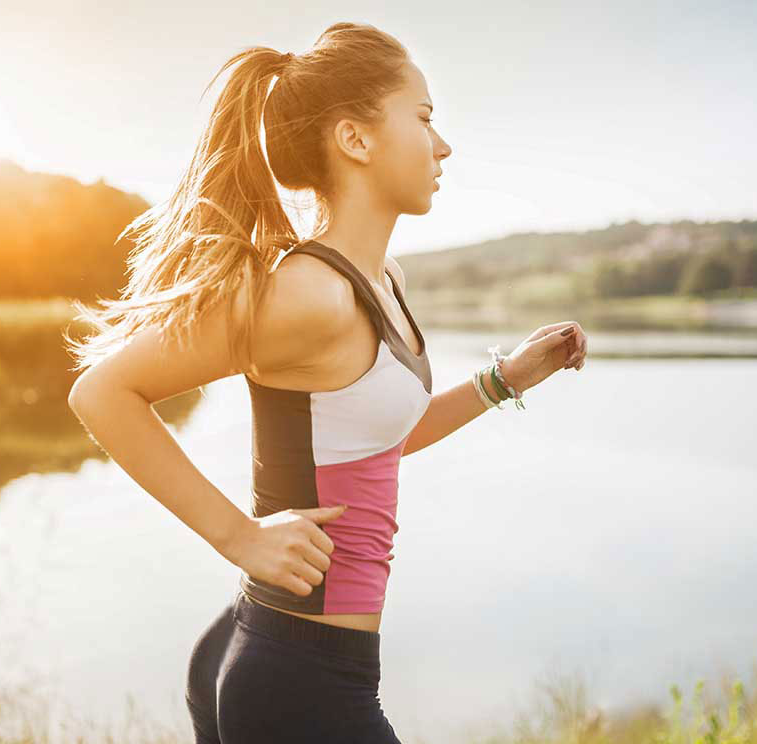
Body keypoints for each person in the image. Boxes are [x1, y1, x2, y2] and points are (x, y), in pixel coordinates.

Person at [65, 21, 588, 744]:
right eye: (426, 118)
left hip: (301, 663)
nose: (443, 145)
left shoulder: (380, 282)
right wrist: (238, 536)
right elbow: (102, 391)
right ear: (356, 139)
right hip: (297, 678)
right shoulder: (307, 293)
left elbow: (371, 446)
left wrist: (504, 381)